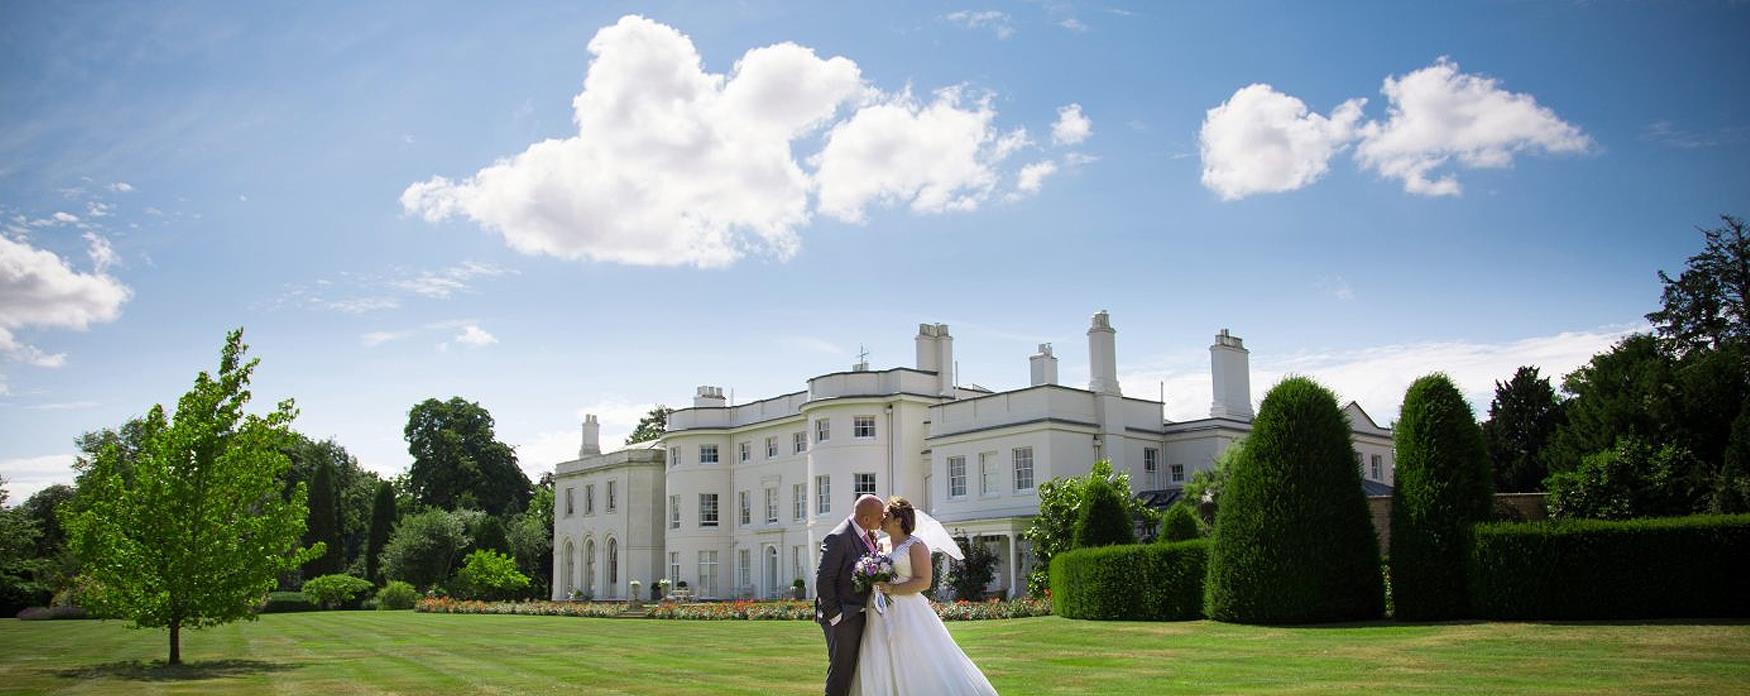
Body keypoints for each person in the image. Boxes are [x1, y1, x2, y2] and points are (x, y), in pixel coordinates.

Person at [849, 496, 998, 696]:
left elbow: (924, 581)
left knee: (913, 658)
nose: (882, 518)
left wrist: (892, 589)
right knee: (879, 656)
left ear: (899, 520)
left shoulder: (916, 545)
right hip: (878, 612)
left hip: (907, 612)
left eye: (887, 514)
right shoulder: (880, 544)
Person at [816, 494, 887, 696]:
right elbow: (824, 580)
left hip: (858, 613)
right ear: (865, 519)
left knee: (854, 670)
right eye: (879, 517)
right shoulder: (838, 538)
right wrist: (835, 616)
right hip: (843, 616)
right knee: (841, 671)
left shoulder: (866, 534)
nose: (882, 520)